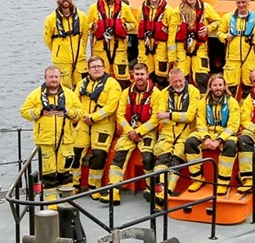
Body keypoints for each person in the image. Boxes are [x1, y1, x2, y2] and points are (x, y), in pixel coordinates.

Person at [20, 65, 83, 201]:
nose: (54, 80)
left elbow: (79, 113)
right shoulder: (36, 94)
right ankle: (52, 204)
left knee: (65, 173)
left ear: (60, 78)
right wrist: (40, 111)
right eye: (51, 77)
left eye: (56, 77)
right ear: (45, 78)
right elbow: (24, 112)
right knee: (48, 175)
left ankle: (67, 202)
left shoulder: (69, 95)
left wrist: (68, 111)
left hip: (65, 140)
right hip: (45, 141)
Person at [105, 62, 159, 204]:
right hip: (129, 131)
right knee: (118, 157)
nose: (139, 77)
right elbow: (120, 115)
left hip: (147, 132)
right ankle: (114, 191)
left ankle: (150, 189)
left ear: (147, 75)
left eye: (142, 74)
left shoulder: (156, 93)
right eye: (137, 74)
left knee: (148, 157)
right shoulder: (126, 93)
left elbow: (155, 119)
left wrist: (139, 131)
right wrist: (130, 131)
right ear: (132, 76)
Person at [183, 72, 240, 196]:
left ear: (225, 86)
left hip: (225, 134)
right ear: (210, 87)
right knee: (190, 142)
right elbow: (200, 124)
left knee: (231, 145)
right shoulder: (203, 102)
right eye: (215, 85)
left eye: (220, 85)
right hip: (207, 133)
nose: (218, 87)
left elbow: (233, 126)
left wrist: (219, 140)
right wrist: (206, 138)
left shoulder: (232, 102)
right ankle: (197, 179)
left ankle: (223, 183)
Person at [73, 54, 122, 198]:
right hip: (84, 121)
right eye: (93, 67)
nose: (97, 69)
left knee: (99, 154)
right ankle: (74, 184)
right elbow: (75, 103)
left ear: (104, 67)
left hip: (103, 123)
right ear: (88, 69)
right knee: (75, 152)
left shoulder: (113, 84)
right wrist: (84, 117)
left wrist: (93, 118)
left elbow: (111, 107)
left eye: (99, 66)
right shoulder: (82, 84)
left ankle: (94, 186)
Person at [151, 65, 198, 205]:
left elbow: (190, 117)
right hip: (167, 132)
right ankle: (160, 193)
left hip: (185, 133)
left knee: (176, 161)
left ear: (184, 79)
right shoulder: (164, 93)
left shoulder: (193, 92)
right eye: (175, 81)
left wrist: (170, 115)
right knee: (161, 161)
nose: (178, 84)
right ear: (170, 81)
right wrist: (175, 116)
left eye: (180, 80)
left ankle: (166, 193)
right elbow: (160, 115)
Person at [85, 0, 138, 85]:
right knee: (101, 77)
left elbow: (134, 24)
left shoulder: (124, 8)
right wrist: (93, 26)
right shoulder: (93, 8)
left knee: (122, 78)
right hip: (100, 49)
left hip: (119, 49)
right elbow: (87, 24)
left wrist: (124, 26)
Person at [167, 0, 218, 92]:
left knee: (202, 77)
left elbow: (218, 21)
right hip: (181, 49)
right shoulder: (177, 11)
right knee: (181, 78)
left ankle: (203, 101)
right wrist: (172, 56)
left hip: (199, 48)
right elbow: (171, 35)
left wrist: (208, 28)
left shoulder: (206, 8)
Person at [219, 0, 255, 95]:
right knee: (230, 89)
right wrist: (226, 36)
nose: (241, 5)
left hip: (251, 59)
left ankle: (247, 110)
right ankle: (232, 110)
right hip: (232, 59)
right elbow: (219, 33)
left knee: (249, 89)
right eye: (239, 2)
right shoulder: (227, 18)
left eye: (243, 2)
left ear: (248, 2)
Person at [43, 0, 87, 87]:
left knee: (82, 86)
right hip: (61, 60)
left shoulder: (81, 16)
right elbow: (47, 39)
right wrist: (58, 50)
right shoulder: (51, 19)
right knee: (63, 87)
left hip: (79, 59)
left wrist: (81, 50)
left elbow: (85, 36)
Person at [137, 0, 172, 84]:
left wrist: (171, 54)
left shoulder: (168, 11)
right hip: (145, 47)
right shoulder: (141, 10)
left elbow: (172, 32)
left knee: (161, 76)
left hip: (161, 47)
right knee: (146, 74)